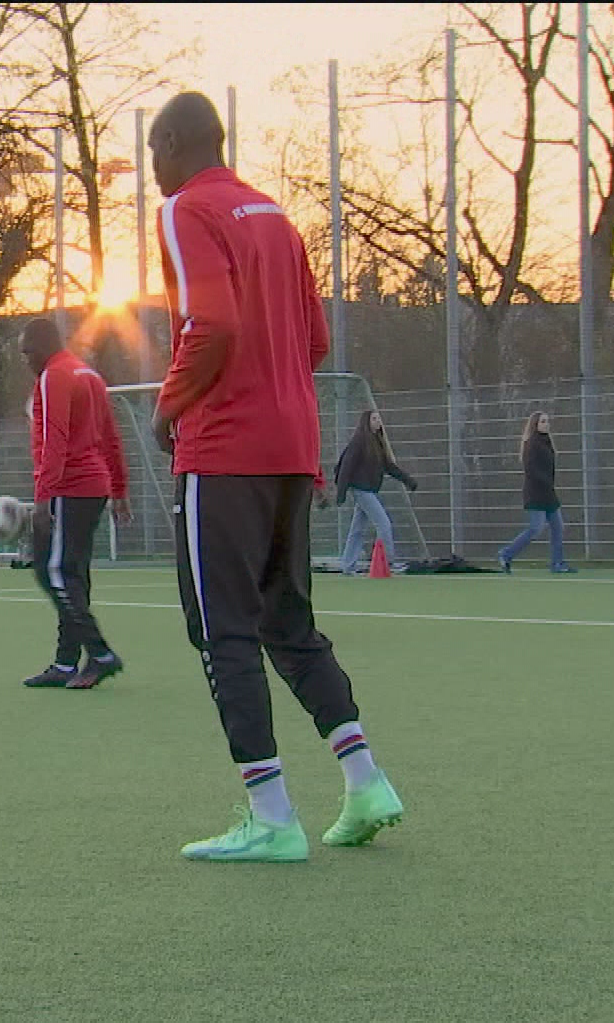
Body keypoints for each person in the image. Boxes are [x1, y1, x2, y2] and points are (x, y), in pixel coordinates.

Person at [147, 91, 402, 863]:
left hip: (223, 452)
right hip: (293, 451)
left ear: (172, 142)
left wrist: (172, 405)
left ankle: (271, 814)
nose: (152, 170)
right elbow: (314, 339)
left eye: (153, 153)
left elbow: (212, 323)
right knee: (286, 623)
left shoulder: (187, 209)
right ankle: (365, 781)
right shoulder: (276, 219)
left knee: (220, 628)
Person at [20, 317, 129, 690]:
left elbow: (56, 440)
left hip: (70, 487)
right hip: (93, 487)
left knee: (52, 571)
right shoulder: (90, 376)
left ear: (43, 346)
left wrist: (43, 498)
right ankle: (66, 663)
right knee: (73, 574)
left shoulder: (54, 376)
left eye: (27, 351)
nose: (25, 360)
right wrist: (118, 489)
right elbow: (111, 437)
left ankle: (100, 654)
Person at [333, 409, 417, 573]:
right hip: (361, 491)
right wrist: (341, 492)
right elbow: (346, 467)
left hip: (370, 490)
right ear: (367, 421)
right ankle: (389, 562)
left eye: (379, 419)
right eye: (374, 418)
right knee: (384, 523)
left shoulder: (377, 443)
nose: (378, 422)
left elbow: (389, 467)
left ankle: (348, 565)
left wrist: (408, 480)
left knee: (357, 529)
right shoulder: (359, 442)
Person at [497, 411, 575, 574]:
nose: (546, 424)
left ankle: (557, 563)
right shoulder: (531, 444)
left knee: (558, 527)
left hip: (549, 494)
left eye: (547, 421)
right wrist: (546, 483)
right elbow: (531, 469)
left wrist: (550, 485)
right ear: (535, 425)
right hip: (536, 494)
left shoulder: (547, 442)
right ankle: (506, 554)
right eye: (543, 421)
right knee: (535, 529)